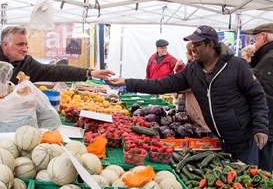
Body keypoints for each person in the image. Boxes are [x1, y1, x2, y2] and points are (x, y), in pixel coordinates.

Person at [0, 26, 115, 165]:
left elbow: (53, 71)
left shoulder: (26, 63)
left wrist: (89, 72)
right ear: (5, 44)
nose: (25, 48)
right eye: (20, 44)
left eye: (26, 44)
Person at [107, 25, 269, 166]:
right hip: (220, 139)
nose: (193, 48)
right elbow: (162, 84)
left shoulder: (236, 66)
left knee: (247, 181)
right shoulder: (193, 70)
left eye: (197, 44)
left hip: (243, 139)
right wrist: (127, 82)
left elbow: (257, 96)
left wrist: (260, 127)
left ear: (210, 45)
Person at [248, 23, 273, 172]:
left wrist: (261, 127)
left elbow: (266, 97)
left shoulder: (269, 60)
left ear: (263, 37)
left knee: (265, 171)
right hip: (268, 126)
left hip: (269, 128)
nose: (254, 43)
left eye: (255, 39)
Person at [178, 42, 211, 133]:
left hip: (201, 117)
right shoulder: (192, 67)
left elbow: (182, 86)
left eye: (187, 51)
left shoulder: (198, 70)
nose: (185, 54)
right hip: (195, 116)